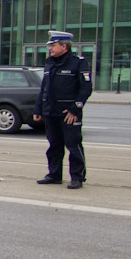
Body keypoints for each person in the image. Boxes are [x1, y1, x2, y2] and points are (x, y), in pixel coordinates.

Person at [33, 30, 92, 190]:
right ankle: (54, 174)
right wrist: (38, 109)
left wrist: (75, 109)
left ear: (64, 46)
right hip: (50, 111)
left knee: (73, 145)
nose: (50, 48)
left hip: (68, 113)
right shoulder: (50, 63)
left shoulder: (78, 63)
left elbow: (85, 89)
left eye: (53, 45)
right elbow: (44, 89)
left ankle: (77, 177)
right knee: (54, 145)